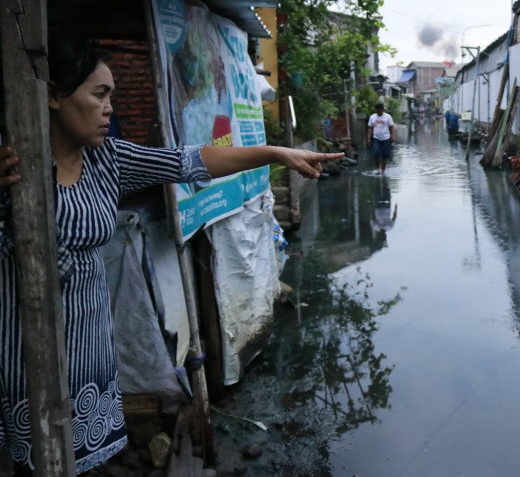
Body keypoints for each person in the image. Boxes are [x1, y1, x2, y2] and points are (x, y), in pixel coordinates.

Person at [0, 36, 342, 474]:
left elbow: (190, 161)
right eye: (99, 94)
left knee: (78, 460)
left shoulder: (107, 158)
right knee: (31, 459)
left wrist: (275, 153)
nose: (109, 108)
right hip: (26, 347)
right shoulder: (15, 163)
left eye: (112, 97)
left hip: (90, 341)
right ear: (51, 95)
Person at [366, 102, 396, 174]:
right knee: (376, 154)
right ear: (376, 110)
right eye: (377, 110)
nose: (379, 112)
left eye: (380, 110)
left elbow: (392, 127)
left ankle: (383, 170)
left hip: (386, 139)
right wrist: (369, 139)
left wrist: (393, 136)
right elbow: (370, 129)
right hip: (376, 139)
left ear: (383, 110)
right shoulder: (372, 117)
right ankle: (377, 169)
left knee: (384, 155)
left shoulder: (388, 117)